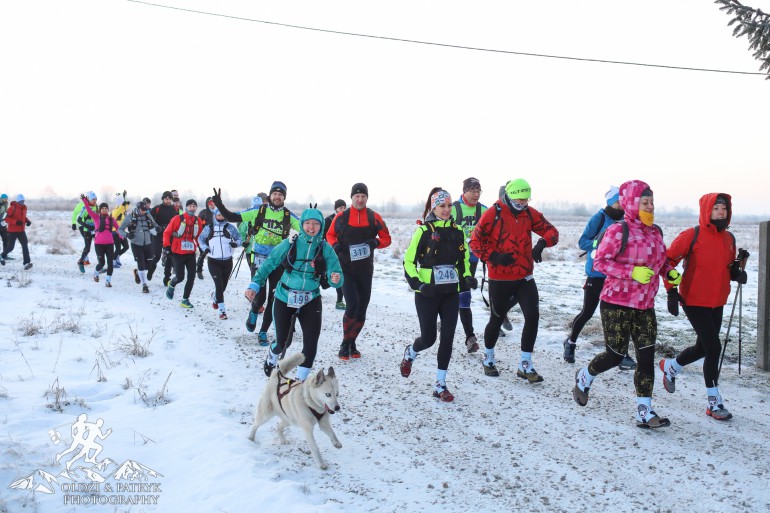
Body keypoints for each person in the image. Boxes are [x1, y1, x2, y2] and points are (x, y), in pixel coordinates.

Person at [573, 180, 680, 429]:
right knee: (615, 354)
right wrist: (631, 272)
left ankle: (644, 411)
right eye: (645, 202)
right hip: (616, 303)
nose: (650, 206)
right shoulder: (618, 231)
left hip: (645, 305)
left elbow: (660, 262)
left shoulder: (656, 232)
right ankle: (585, 376)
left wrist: (669, 273)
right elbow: (599, 262)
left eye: (652, 202)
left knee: (645, 357)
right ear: (632, 203)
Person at [659, 193, 748, 421]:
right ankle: (713, 402)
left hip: (717, 300)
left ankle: (671, 366)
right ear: (706, 210)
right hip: (694, 299)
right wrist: (671, 290)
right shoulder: (692, 235)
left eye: (724, 208)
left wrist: (737, 272)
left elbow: (727, 268)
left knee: (703, 348)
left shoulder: (729, 238)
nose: (721, 212)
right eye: (717, 208)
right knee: (714, 348)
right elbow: (667, 261)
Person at [469, 179, 558, 381]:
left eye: (526, 199)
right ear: (509, 195)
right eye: (519, 199)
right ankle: (488, 358)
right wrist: (493, 257)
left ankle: (525, 364)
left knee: (533, 316)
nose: (523, 203)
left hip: (524, 276)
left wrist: (542, 243)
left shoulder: (528, 213)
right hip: (500, 278)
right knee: (497, 318)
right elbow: (475, 242)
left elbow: (552, 232)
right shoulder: (493, 213)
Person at [246, 206, 343, 381]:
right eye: (307, 223)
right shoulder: (291, 242)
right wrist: (255, 284)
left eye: (316, 224)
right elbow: (270, 262)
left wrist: (336, 278)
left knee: (310, 345)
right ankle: (272, 356)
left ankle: (300, 383)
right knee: (282, 342)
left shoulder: (325, 248)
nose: (311, 227)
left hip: (311, 298)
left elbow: (336, 273)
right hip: (285, 296)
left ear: (321, 226)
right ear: (301, 224)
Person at [399, 188, 475, 402]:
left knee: (448, 338)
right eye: (442, 206)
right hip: (427, 294)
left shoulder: (457, 230)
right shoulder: (424, 231)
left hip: (450, 292)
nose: (447, 209)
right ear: (434, 207)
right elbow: (408, 262)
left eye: (449, 205)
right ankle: (410, 353)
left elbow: (464, 261)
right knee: (429, 338)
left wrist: (467, 277)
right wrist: (420, 284)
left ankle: (440, 384)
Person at [212, 182, 300, 345]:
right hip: (259, 257)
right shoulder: (259, 211)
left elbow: (307, 227)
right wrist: (220, 205)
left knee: (274, 298)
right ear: (270, 196)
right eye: (275, 193)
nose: (277, 196)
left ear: (284, 197)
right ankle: (254, 310)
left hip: (278, 260)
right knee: (260, 297)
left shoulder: (288, 215)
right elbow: (233, 217)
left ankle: (263, 332)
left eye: (281, 194)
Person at [563, 186, 637, 369]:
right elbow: (583, 242)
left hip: (617, 275)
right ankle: (570, 343)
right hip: (597, 274)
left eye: (624, 202)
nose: (622, 206)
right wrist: (602, 245)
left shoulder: (627, 221)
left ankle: (621, 355)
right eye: (618, 202)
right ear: (611, 202)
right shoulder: (599, 218)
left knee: (618, 316)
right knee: (588, 312)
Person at [326, 182, 392, 360]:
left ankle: (352, 343)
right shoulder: (341, 217)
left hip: (365, 269)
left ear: (367, 198)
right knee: (352, 305)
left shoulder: (374, 217)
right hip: (346, 268)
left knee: (362, 309)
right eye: (357, 196)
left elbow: (387, 239)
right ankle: (344, 343)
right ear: (352, 198)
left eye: (363, 196)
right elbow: (329, 235)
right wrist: (336, 246)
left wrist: (375, 242)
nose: (360, 199)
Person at [451, 177, 487, 352]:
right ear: (464, 191)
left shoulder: (484, 210)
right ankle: (444, 319)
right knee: (451, 294)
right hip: (452, 260)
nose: (475, 194)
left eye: (478, 191)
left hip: (472, 260)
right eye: (472, 190)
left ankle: (470, 338)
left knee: (464, 296)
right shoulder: (454, 209)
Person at [198, 209, 242, 320]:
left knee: (223, 286)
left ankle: (215, 296)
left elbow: (239, 238)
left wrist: (235, 244)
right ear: (215, 215)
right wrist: (205, 248)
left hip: (227, 261)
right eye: (218, 215)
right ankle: (222, 311)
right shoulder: (209, 228)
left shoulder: (230, 227)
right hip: (213, 261)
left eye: (222, 215)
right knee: (219, 285)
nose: (221, 217)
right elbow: (200, 239)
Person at [163, 199, 203, 308]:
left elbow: (199, 236)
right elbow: (167, 232)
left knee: (191, 277)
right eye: (190, 206)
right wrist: (166, 246)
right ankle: (172, 285)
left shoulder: (197, 220)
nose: (192, 208)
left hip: (190, 253)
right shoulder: (177, 219)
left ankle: (185, 299)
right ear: (186, 207)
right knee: (180, 277)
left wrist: (202, 247)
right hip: (178, 252)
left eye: (194, 206)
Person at [80, 196, 123, 287]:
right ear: (100, 210)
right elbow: (88, 209)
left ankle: (108, 281)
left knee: (110, 263)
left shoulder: (112, 219)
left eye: (106, 208)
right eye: (102, 208)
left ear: (108, 209)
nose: (104, 210)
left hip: (110, 244)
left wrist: (122, 235)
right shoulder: (96, 217)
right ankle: (96, 273)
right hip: (99, 244)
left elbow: (118, 229)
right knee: (102, 263)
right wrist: (85, 201)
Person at [118, 199, 159, 293]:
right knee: (141, 263)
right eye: (142, 210)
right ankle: (144, 286)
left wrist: (158, 228)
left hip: (148, 243)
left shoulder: (148, 215)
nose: (144, 211)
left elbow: (154, 224)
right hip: (136, 243)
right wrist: (127, 235)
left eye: (145, 210)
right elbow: (120, 230)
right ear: (138, 208)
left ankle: (137, 272)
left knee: (148, 266)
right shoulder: (130, 217)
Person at [149, 191, 179, 285]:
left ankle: (167, 278)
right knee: (157, 256)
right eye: (166, 199)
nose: (168, 200)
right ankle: (151, 270)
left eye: (170, 199)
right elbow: (150, 220)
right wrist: (157, 227)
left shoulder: (174, 209)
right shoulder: (157, 208)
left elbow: (176, 221)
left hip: (169, 236)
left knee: (169, 256)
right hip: (158, 236)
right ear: (163, 199)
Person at [324, 199, 347, 310]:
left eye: (344, 207)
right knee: (324, 274)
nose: (342, 209)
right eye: (340, 207)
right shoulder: (328, 220)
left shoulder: (346, 219)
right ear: (335, 208)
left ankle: (339, 301)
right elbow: (323, 234)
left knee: (340, 274)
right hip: (329, 251)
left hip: (343, 252)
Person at [0, 194, 33, 270]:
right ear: (18, 201)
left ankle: (26, 263)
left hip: (21, 231)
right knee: (11, 247)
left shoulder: (24, 208)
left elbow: (23, 217)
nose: (22, 202)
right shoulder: (12, 208)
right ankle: (3, 255)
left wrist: (27, 221)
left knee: (25, 245)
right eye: (21, 201)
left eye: (23, 201)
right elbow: (6, 219)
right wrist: (15, 222)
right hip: (12, 231)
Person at [72, 191, 97, 272]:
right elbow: (75, 214)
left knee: (95, 244)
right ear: (88, 199)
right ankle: (82, 261)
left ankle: (100, 263)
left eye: (96, 199)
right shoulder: (82, 206)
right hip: (83, 227)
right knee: (88, 245)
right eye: (93, 199)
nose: (95, 200)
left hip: (94, 228)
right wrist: (73, 223)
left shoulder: (97, 206)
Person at [195, 196, 217, 279]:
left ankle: (215, 271)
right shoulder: (203, 213)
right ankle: (199, 270)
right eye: (211, 204)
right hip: (203, 237)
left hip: (213, 237)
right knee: (203, 253)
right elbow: (198, 225)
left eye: (214, 204)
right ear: (207, 205)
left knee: (214, 254)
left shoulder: (216, 213)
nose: (212, 206)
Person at [111, 196, 131, 269]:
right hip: (115, 232)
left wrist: (126, 205)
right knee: (118, 248)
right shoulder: (115, 211)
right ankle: (113, 262)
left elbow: (123, 209)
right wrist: (123, 205)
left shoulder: (122, 212)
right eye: (122, 204)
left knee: (126, 247)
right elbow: (116, 214)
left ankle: (117, 257)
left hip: (121, 232)